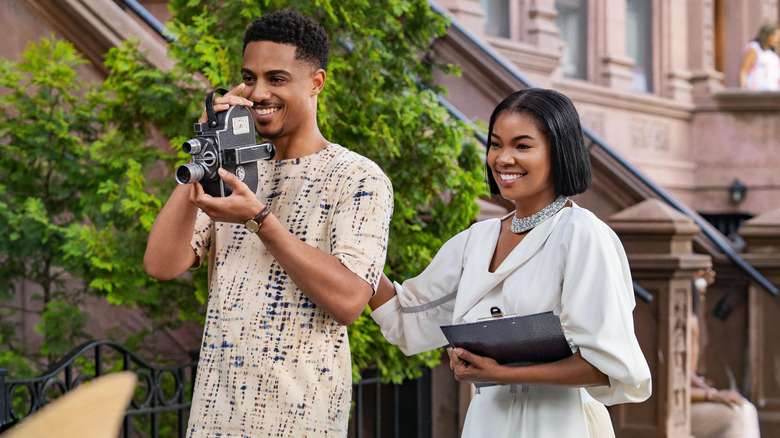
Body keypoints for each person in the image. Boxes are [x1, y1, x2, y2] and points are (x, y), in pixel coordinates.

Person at [143, 10, 393, 437]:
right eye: (249, 78)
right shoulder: (232, 174)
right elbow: (161, 265)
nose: (259, 93)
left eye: (276, 79)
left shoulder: (357, 177)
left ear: (316, 82)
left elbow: (350, 300)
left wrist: (259, 219)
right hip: (214, 419)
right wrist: (205, 152)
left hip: (300, 419)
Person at [368, 88, 652, 437]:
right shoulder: (477, 240)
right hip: (487, 423)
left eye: (522, 146)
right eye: (495, 144)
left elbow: (608, 366)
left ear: (558, 151)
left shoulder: (582, 235)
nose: (502, 158)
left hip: (559, 425)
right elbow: (405, 318)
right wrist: (353, 250)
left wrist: (499, 373)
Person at [689, 269, 761, 438]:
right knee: (739, 413)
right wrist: (711, 395)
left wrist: (710, 391)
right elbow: (668, 386)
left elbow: (686, 375)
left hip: (687, 398)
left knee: (742, 407)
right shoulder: (683, 322)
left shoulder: (692, 320)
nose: (702, 296)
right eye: (699, 292)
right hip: (660, 409)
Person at [739, 23, 780, 91]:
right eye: (776, 35)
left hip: (774, 92)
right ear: (767, 35)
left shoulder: (772, 53)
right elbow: (744, 71)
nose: (778, 39)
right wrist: (743, 90)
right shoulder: (755, 48)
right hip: (758, 92)